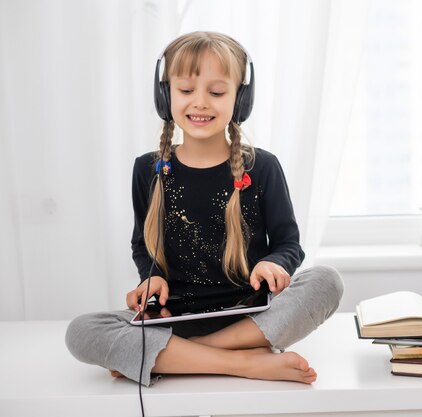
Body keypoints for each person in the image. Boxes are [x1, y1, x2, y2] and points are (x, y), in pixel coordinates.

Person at [65, 31, 343, 387]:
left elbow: (289, 242)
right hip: (175, 318)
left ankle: (181, 356)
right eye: (185, 91)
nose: (200, 103)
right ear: (165, 96)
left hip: (250, 314)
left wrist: (274, 263)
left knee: (327, 281)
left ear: (240, 99)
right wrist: (151, 277)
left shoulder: (263, 167)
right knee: (82, 331)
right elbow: (143, 245)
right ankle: (245, 363)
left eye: (216, 92)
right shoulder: (147, 170)